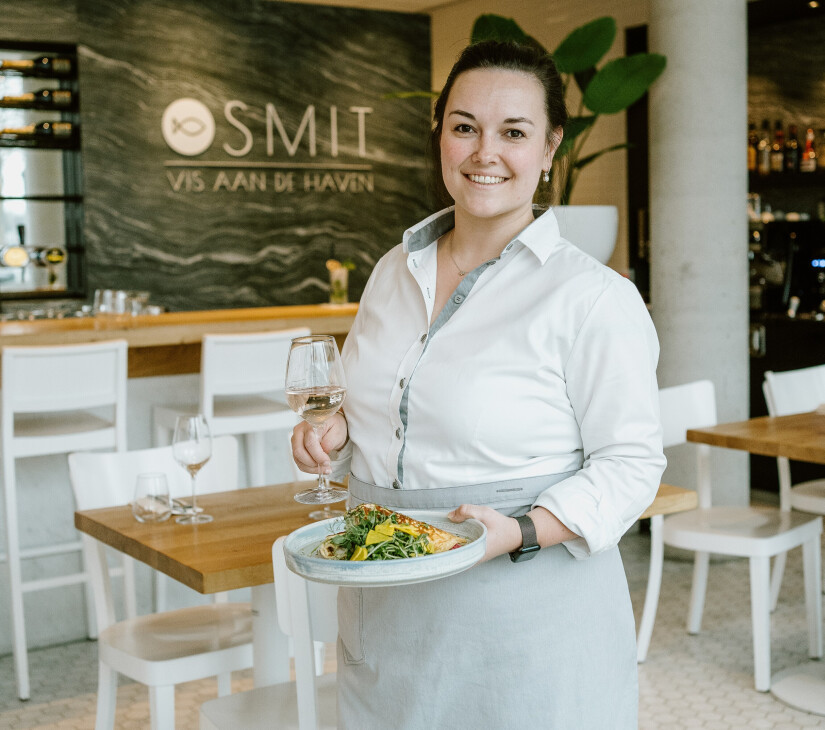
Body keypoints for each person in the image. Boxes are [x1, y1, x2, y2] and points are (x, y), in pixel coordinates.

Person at [291, 39, 666, 729]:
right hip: (385, 611)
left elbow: (632, 463)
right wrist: (334, 434)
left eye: (512, 132)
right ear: (439, 135)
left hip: (523, 616)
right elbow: (369, 412)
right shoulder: (389, 273)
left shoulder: (590, 298)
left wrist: (520, 531)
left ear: (551, 147)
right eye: (463, 126)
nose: (482, 152)